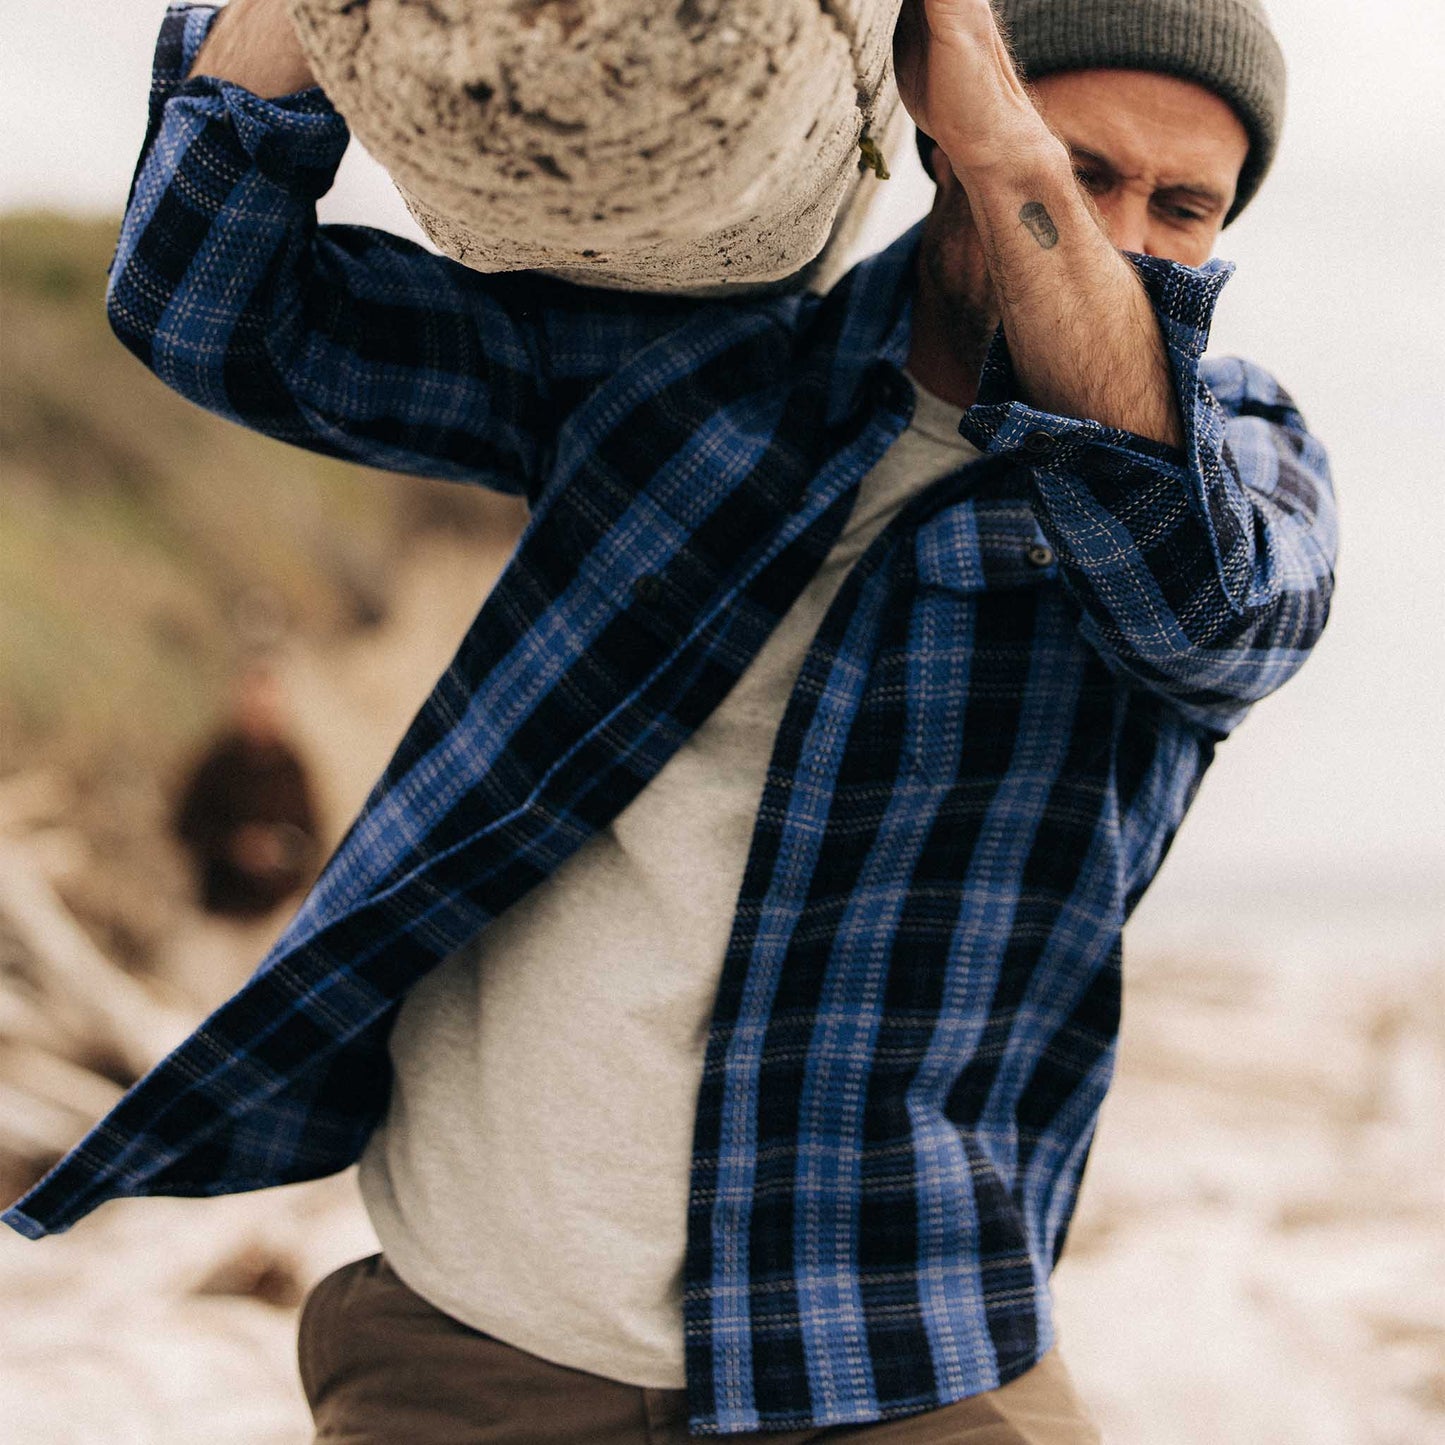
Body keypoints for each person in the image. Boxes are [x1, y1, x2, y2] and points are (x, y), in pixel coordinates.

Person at [3, 0, 1336, 1440]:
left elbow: (1209, 611)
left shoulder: (1238, 478)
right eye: (1083, 171)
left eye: (1183, 206)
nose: (1127, 238)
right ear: (938, 146)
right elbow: (211, 302)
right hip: (481, 1349)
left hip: (899, 1362)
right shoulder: (685, 364)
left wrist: (1020, 154)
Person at [173, 660, 320, 918]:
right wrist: (234, 846)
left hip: (272, 915)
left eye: (266, 711)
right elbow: (185, 824)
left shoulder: (292, 771)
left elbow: (312, 841)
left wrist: (278, 851)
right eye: (253, 709)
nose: (258, 719)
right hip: (218, 912)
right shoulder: (218, 762)